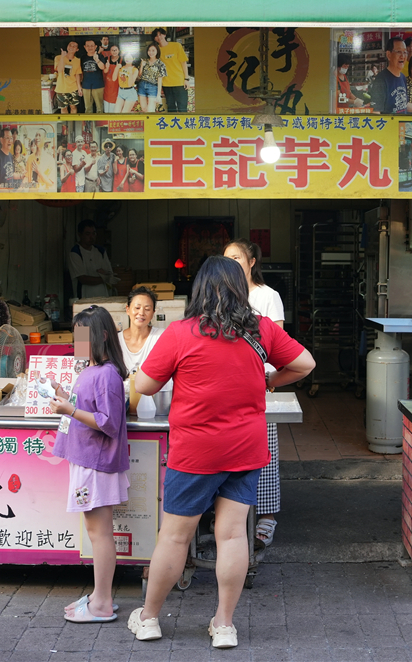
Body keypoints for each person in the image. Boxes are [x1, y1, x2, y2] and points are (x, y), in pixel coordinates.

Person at [127, 256, 314, 648]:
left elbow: (143, 384)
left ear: (198, 289)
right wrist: (272, 380)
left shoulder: (180, 333)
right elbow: (305, 363)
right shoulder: (260, 329)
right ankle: (224, 625)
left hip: (194, 452)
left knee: (175, 538)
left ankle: (148, 619)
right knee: (232, 536)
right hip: (245, 448)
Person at [50, 306, 129, 624]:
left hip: (94, 465)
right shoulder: (93, 369)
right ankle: (99, 596)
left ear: (102, 336)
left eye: (83, 335)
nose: (77, 341)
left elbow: (108, 423)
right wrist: (63, 397)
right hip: (88, 462)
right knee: (97, 532)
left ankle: (103, 603)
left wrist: (69, 410)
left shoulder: (106, 374)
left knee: (99, 533)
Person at [223, 239, 285, 549]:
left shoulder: (267, 296)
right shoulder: (223, 296)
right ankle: (237, 512)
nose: (231, 262)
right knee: (236, 450)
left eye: (236, 257)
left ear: (251, 262)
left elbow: (278, 342)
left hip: (260, 380)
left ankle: (268, 516)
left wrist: (270, 378)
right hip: (230, 384)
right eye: (226, 258)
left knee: (266, 449)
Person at [119, 286, 164, 375]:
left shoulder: (161, 337)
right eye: (137, 308)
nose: (141, 313)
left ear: (153, 313)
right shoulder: (116, 340)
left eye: (147, 309)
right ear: (127, 309)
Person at [69, 219, 119, 299]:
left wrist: (107, 275)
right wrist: (104, 278)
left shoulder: (100, 251)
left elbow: (109, 272)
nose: (91, 237)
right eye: (88, 234)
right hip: (84, 296)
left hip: (103, 295)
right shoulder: (76, 252)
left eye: (94, 233)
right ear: (80, 234)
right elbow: (82, 279)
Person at [368, 37, 411, 114]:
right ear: (389, 55)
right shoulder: (381, 80)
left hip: (404, 125)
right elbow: (376, 112)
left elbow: (404, 105)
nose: (402, 56)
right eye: (398, 52)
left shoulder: (403, 77)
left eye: (405, 52)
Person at [153, 28, 190, 113]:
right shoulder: (156, 50)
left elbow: (183, 63)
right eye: (156, 35)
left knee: (182, 107)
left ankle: (184, 125)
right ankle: (173, 125)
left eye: (160, 34)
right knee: (171, 107)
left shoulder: (176, 45)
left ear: (165, 35)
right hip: (166, 84)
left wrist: (186, 79)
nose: (159, 37)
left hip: (179, 82)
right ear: (154, 38)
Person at [54, 41, 83, 114]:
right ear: (67, 47)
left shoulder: (77, 60)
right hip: (61, 88)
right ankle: (66, 124)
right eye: (70, 45)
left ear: (77, 49)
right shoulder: (58, 58)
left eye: (74, 46)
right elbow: (59, 70)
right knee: (63, 108)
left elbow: (77, 74)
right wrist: (62, 57)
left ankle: (72, 123)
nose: (71, 47)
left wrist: (79, 87)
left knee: (73, 107)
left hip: (73, 88)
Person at [138, 45, 167, 113]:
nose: (151, 52)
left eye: (153, 50)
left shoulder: (161, 64)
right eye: (149, 50)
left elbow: (160, 80)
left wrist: (158, 95)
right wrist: (142, 65)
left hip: (153, 87)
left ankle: (150, 123)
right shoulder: (144, 61)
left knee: (151, 110)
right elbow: (139, 75)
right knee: (144, 109)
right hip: (142, 85)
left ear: (157, 51)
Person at [80, 39, 106, 114]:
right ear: (84, 47)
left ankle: (100, 124)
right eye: (87, 46)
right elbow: (80, 71)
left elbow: (103, 67)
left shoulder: (100, 56)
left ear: (95, 47)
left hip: (98, 85)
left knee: (99, 107)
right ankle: (88, 124)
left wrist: (97, 60)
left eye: (92, 46)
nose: (90, 47)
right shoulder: (83, 58)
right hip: (86, 85)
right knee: (88, 108)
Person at [103, 44, 122, 113]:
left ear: (118, 51)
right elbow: (104, 71)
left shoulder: (122, 60)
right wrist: (107, 67)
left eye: (115, 50)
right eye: (112, 50)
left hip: (117, 87)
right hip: (107, 86)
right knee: (106, 109)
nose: (114, 51)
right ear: (110, 51)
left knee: (114, 110)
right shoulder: (106, 59)